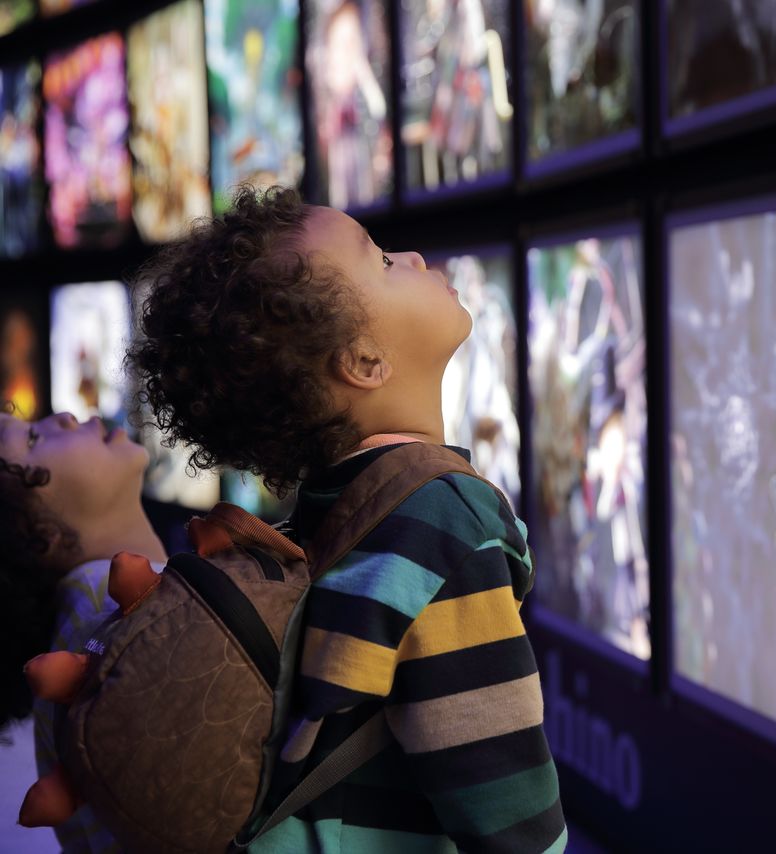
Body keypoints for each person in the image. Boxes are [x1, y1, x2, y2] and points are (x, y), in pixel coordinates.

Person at [129, 186, 567, 853]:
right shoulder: (446, 522)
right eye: (386, 261)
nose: (417, 258)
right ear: (365, 363)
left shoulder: (338, 504)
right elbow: (508, 809)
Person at [0, 409, 167, 853]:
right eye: (34, 439)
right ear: (32, 531)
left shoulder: (84, 623)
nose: (67, 417)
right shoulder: (112, 620)